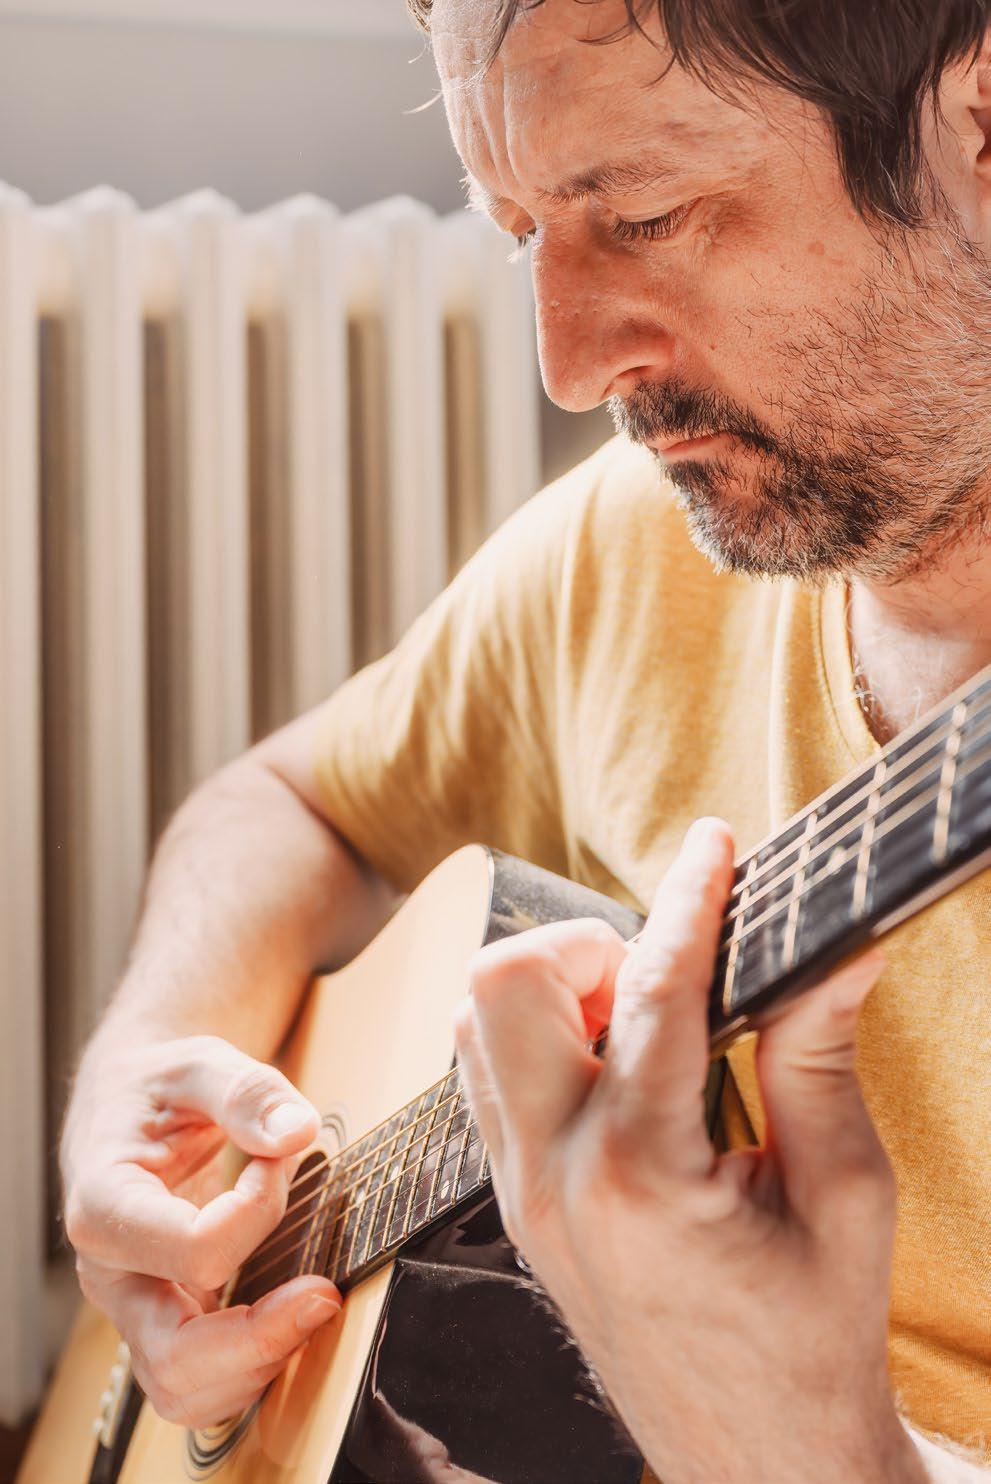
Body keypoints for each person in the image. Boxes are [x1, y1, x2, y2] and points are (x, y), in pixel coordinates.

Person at [61, 1, 990, 1478]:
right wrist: (139, 1081)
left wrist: (803, 1446)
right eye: (519, 233)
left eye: (649, 213)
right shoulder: (634, 549)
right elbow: (300, 802)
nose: (564, 364)